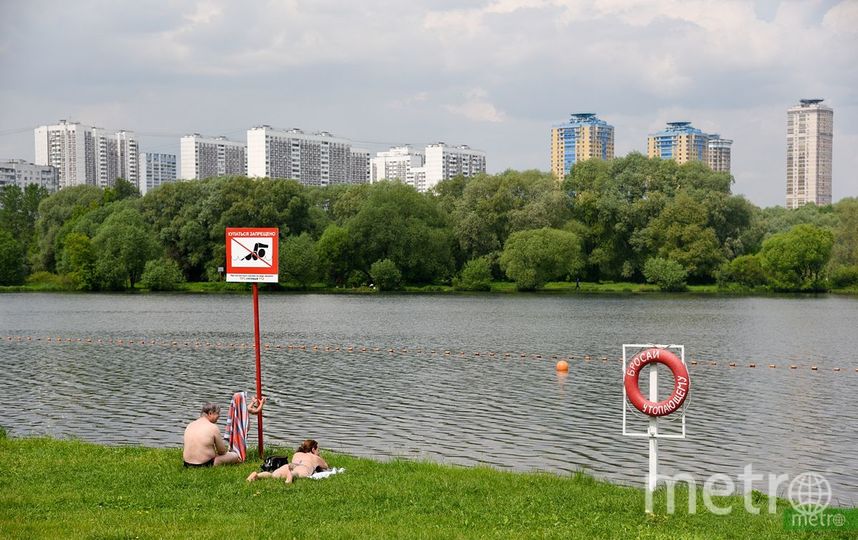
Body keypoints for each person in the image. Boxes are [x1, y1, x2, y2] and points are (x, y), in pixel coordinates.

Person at [183, 397, 265, 467]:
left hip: (187, 464)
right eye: (217, 413)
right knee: (235, 455)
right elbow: (222, 451)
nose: (219, 416)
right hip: (204, 464)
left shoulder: (190, 425)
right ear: (210, 413)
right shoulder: (212, 427)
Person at [246, 439, 328, 483]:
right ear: (313, 449)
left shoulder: (297, 454)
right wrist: (318, 456)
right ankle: (291, 476)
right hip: (303, 467)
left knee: (273, 475)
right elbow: (326, 466)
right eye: (318, 450)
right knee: (297, 473)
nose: (319, 452)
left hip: (290, 465)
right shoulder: (314, 457)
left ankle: (258, 475)